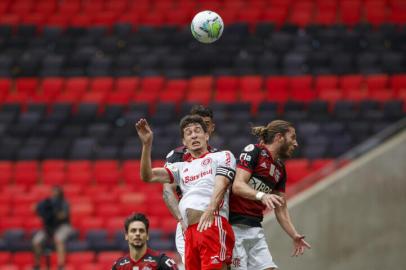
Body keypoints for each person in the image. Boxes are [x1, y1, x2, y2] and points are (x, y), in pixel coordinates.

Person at [136, 115, 236, 270]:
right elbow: (147, 176)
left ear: (206, 135)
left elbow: (221, 184)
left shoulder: (222, 156)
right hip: (189, 232)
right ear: (184, 142)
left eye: (197, 131)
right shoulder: (181, 167)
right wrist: (147, 143)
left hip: (212, 224)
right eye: (188, 133)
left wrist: (210, 210)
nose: (194, 135)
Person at [230, 120, 311, 270]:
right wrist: (263, 196)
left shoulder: (280, 168)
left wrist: (294, 234)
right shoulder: (254, 151)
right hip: (234, 228)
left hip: (255, 228)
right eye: (292, 137)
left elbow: (281, 207)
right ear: (279, 137)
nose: (296, 143)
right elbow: (238, 185)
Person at [162, 105, 217, 263]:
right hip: (188, 221)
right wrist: (181, 220)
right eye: (191, 129)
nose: (195, 134)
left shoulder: (220, 156)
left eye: (205, 124)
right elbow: (166, 190)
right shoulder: (177, 156)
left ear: (210, 128)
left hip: (214, 220)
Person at [111, 213, 178, 270]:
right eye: (133, 231)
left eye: (141, 231)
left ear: (147, 235)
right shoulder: (118, 266)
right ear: (126, 236)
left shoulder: (162, 262)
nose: (137, 234)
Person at [32, 186, 74, 270]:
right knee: (36, 241)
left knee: (58, 239)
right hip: (49, 227)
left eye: (56, 193)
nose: (54, 195)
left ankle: (60, 266)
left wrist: (54, 214)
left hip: (62, 226)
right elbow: (35, 209)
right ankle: (37, 265)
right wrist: (40, 211)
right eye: (53, 193)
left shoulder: (64, 203)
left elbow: (63, 215)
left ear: (60, 194)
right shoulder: (46, 203)